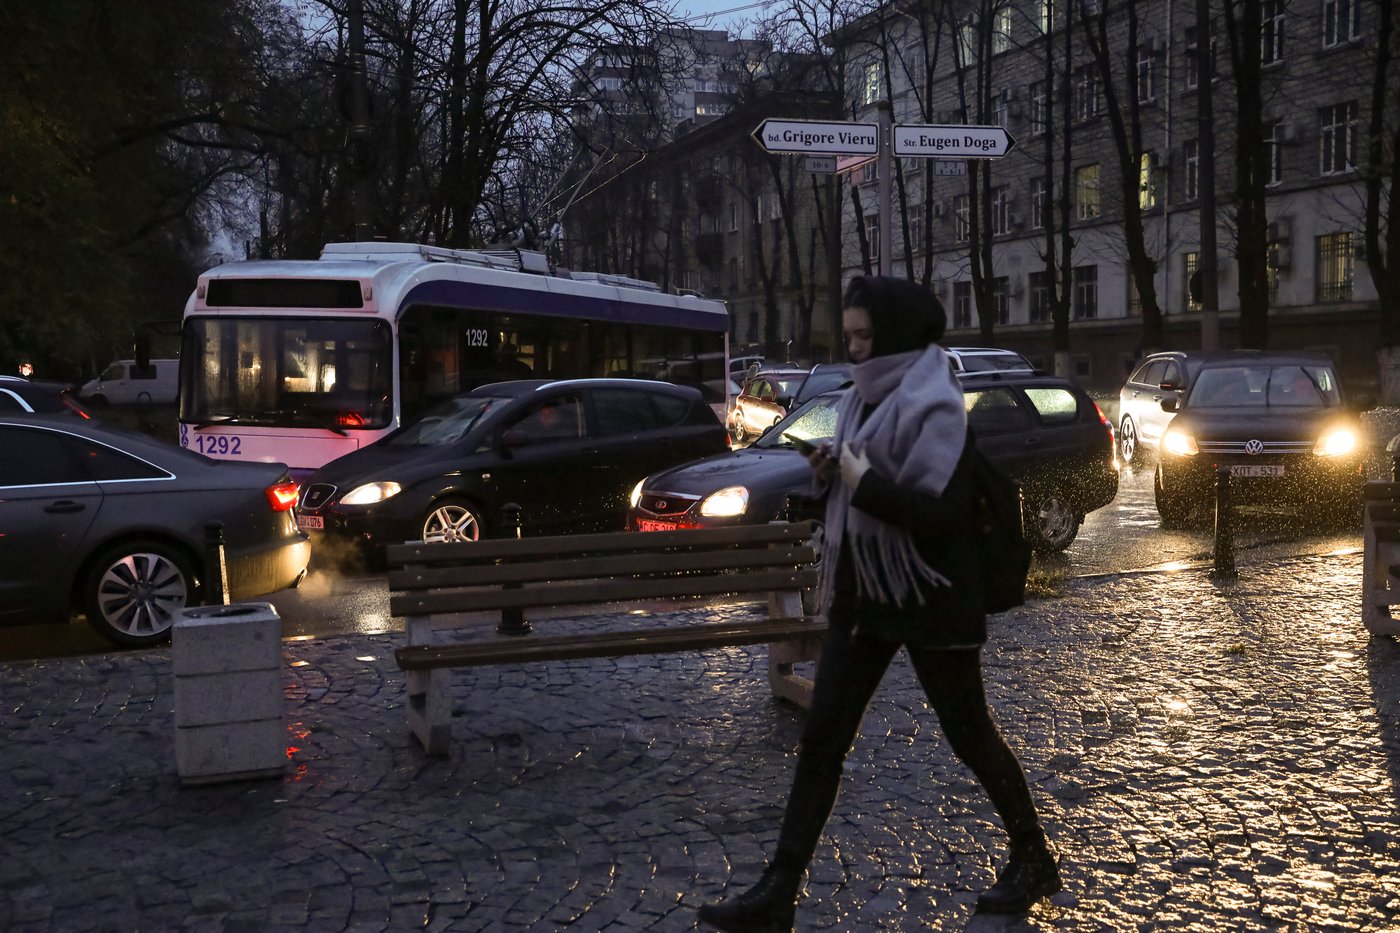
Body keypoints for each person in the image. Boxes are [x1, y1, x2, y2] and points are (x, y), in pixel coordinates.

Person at [696, 276, 1061, 932]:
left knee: (970, 734)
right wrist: (830, 480)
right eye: (851, 334)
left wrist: (861, 481)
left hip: (930, 592)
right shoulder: (863, 401)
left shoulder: (937, 407)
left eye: (864, 335)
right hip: (866, 593)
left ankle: (1033, 856)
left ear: (892, 335)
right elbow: (864, 496)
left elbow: (940, 517)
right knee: (822, 740)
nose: (854, 347)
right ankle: (778, 891)